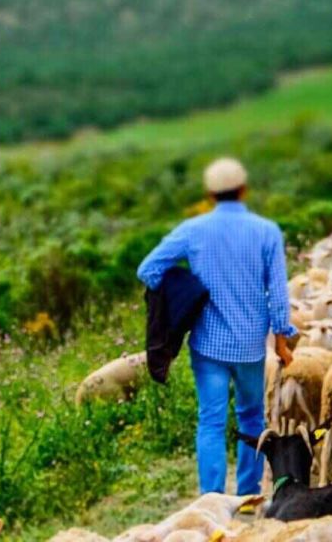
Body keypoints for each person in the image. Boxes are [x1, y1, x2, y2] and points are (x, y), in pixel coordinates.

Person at [137, 157, 296, 496]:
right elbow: (279, 293)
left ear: (210, 194)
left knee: (210, 421)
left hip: (207, 344)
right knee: (252, 417)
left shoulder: (193, 230)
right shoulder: (266, 231)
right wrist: (282, 340)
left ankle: (211, 499)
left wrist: (185, 291)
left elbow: (148, 269)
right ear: (243, 189)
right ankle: (249, 495)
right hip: (251, 345)